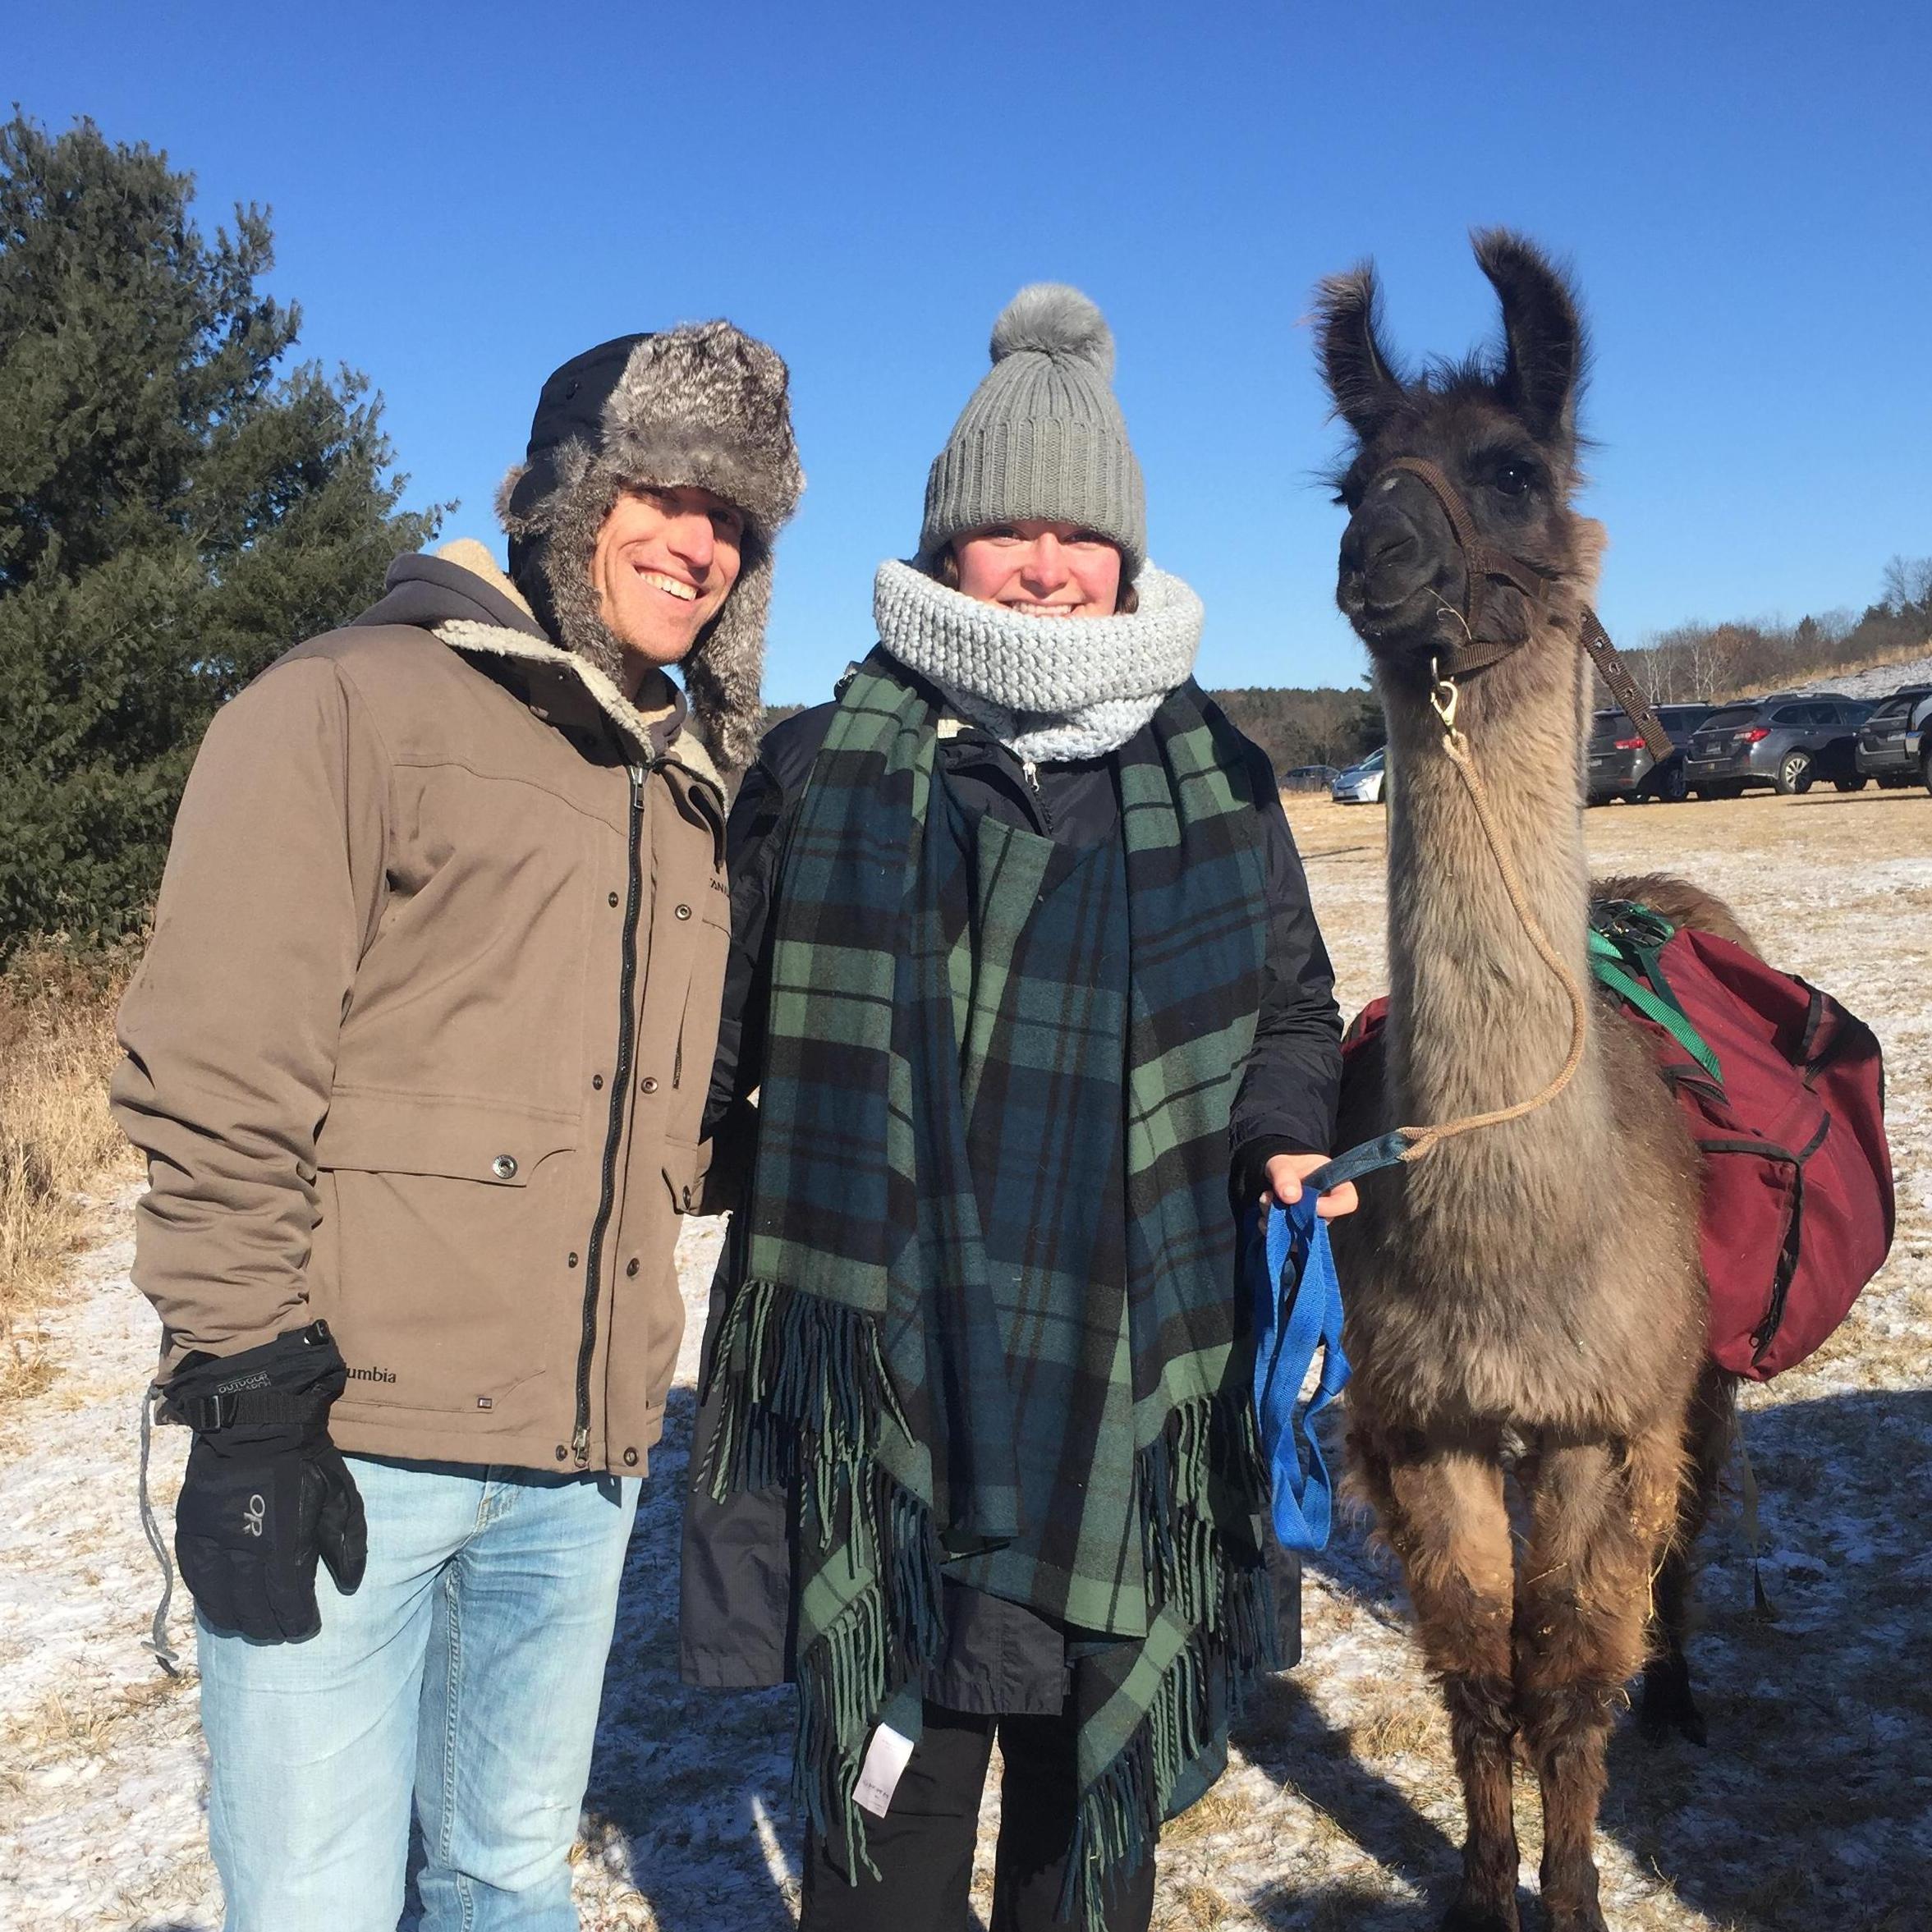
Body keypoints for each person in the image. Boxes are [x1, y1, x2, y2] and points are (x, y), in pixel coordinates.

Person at [112, 324, 802, 1931]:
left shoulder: (681, 791)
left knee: (502, 1887)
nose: (699, 540)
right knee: (314, 1909)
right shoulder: (349, 702)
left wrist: (815, 1141)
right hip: (349, 1443)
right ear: (568, 495)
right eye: (665, 489)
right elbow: (218, 1075)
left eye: (739, 515)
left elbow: (649, 1123)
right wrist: (247, 1391)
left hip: (577, 1470)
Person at [681, 285, 1351, 1931]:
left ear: (1127, 554)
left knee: (1084, 1866)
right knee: (880, 1881)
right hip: (888, 1400)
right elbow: (701, 1040)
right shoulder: (822, 764)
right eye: (1003, 531)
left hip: (1130, 1396)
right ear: (944, 546)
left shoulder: (1223, 780)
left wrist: (1281, 1126)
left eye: (1078, 532)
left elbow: (1292, 1006)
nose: (1044, 565)